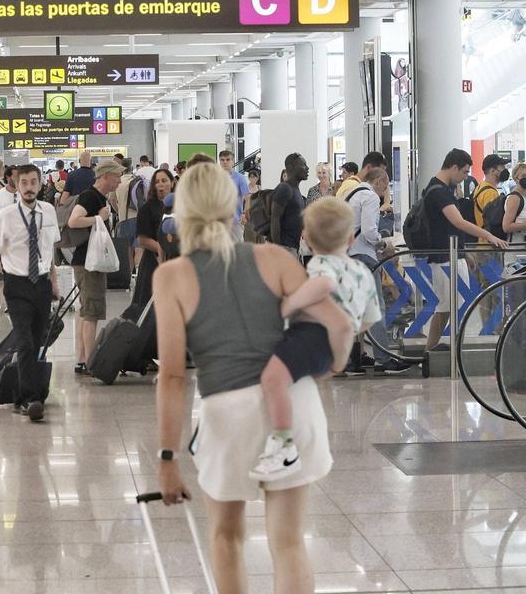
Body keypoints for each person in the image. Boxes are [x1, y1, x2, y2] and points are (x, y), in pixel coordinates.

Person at [153, 161, 347, 594]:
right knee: (289, 542)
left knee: (226, 537)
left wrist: (167, 458)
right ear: (235, 207)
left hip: (227, 412)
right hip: (292, 405)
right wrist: (329, 368)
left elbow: (171, 378)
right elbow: (333, 323)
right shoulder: (274, 258)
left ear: (181, 214)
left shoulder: (171, 277)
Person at [253, 197, 375, 479]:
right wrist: (342, 351)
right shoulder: (362, 272)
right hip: (332, 347)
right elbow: (368, 318)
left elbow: (324, 285)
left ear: (306, 237)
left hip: (312, 336)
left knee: (273, 379)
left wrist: (291, 304)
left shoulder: (321, 264)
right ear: (350, 239)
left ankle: (283, 444)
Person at [0, 165, 61, 421]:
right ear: (17, 185)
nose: (29, 187)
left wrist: (54, 283)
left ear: (41, 183)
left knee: (36, 342)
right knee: (24, 341)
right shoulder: (6, 216)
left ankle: (29, 394)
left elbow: (48, 251)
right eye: (24, 183)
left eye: (34, 182)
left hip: (41, 284)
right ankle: (29, 399)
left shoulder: (49, 212)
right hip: (17, 285)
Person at [421, 149, 508, 353]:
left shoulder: (441, 189)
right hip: (444, 257)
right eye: (465, 172)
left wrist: (464, 251)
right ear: (454, 167)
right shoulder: (439, 191)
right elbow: (458, 222)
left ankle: (434, 349)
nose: (466, 177)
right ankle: (434, 350)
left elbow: (450, 226)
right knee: (447, 306)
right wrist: (489, 236)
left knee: (449, 306)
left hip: (451, 254)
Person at [66, 158, 123, 373]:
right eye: (117, 177)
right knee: (91, 312)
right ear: (106, 176)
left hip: (86, 261)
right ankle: (90, 361)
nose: (118, 182)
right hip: (89, 262)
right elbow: (74, 221)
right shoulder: (91, 197)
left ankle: (82, 358)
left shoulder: (99, 196)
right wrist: (98, 219)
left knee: (86, 311)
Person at [342, 167, 397, 374]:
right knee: (375, 307)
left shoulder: (352, 194)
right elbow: (369, 231)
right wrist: (383, 244)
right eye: (387, 185)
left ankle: (348, 360)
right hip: (364, 256)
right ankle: (383, 358)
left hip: (348, 255)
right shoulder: (371, 197)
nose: (386, 189)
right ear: (381, 181)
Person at [133, 168, 175, 306]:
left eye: (164, 180)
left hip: (176, 260)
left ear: (172, 183)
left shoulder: (181, 206)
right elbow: (142, 238)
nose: (161, 184)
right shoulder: (147, 208)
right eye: (157, 182)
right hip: (153, 261)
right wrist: (161, 248)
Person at [270, 153, 308, 255]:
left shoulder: (295, 189)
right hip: (285, 247)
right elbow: (275, 219)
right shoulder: (285, 188)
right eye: (303, 165)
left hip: (292, 246)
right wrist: (278, 248)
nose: (307, 168)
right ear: (292, 167)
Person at [219, 149, 251, 235]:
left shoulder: (240, 178)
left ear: (233, 162)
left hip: (235, 221)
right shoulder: (215, 178)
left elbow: (248, 197)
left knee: (237, 247)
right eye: (222, 160)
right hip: (218, 222)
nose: (225, 162)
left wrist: (244, 214)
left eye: (228, 159)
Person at [472, 154, 507, 228]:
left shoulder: (480, 187)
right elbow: (494, 221)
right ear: (493, 171)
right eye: (502, 168)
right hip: (488, 238)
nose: (505, 170)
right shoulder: (490, 193)